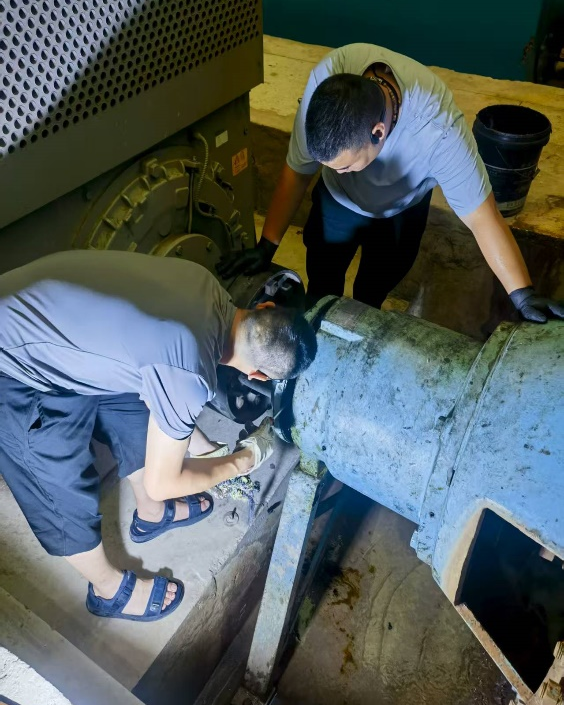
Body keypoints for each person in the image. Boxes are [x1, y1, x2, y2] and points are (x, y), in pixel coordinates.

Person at [0, 250, 317, 622]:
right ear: (259, 376)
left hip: (46, 323)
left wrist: (209, 452)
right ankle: (108, 591)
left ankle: (150, 513)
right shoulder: (189, 371)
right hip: (12, 365)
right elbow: (163, 480)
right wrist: (242, 460)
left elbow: (166, 396)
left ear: (264, 306)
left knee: (132, 409)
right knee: (58, 483)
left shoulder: (205, 284)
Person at [218, 43, 564, 324]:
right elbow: (298, 171)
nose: (340, 170)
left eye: (345, 165)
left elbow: (482, 217)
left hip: (402, 211)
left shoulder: (438, 130)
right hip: (337, 203)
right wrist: (267, 245)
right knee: (322, 281)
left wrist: (522, 293)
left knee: (371, 292)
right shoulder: (329, 76)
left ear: (378, 132)